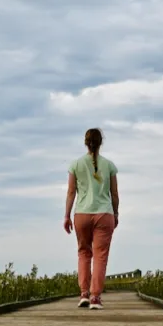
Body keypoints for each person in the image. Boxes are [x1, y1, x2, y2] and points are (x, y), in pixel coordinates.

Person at [63, 128, 119, 310]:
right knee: (100, 256)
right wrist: (116, 214)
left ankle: (84, 294)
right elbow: (115, 194)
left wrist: (66, 215)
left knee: (84, 253)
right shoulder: (109, 165)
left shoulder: (75, 165)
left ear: (86, 143)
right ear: (101, 142)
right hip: (104, 214)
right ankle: (95, 297)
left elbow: (71, 192)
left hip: (82, 214)